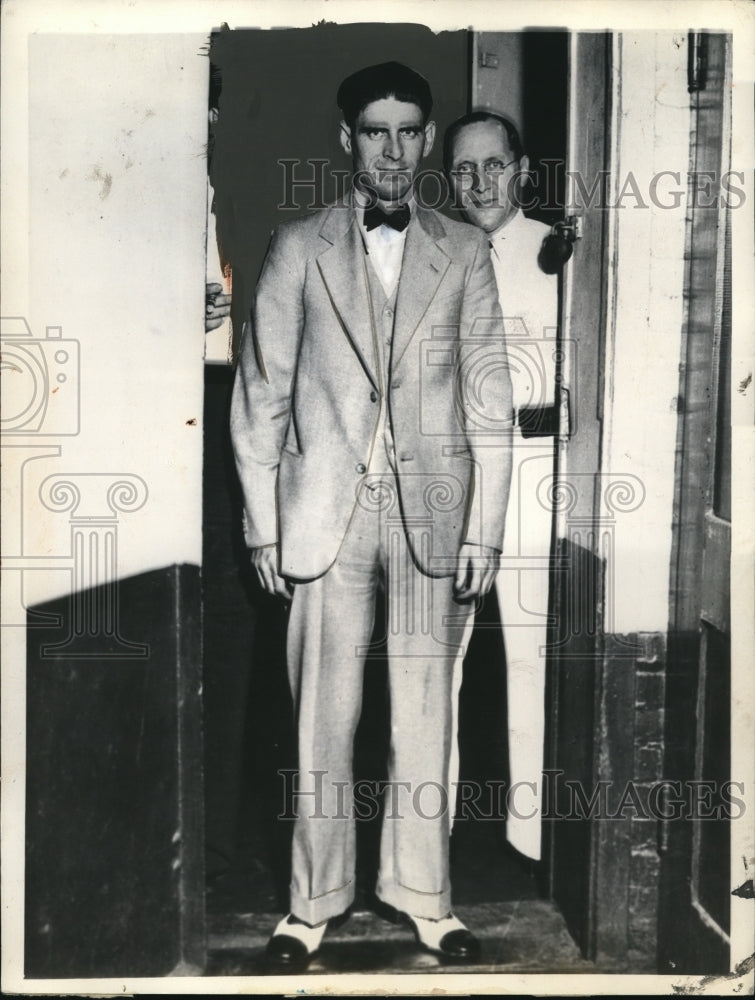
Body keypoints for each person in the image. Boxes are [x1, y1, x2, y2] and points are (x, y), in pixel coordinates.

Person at [230, 62, 513, 971]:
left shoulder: (463, 252)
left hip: (435, 513)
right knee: (323, 717)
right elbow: (261, 395)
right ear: (345, 139)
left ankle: (424, 899)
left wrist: (485, 527)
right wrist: (262, 525)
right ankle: (309, 907)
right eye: (373, 131)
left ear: (426, 141)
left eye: (407, 131)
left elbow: (487, 398)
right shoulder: (295, 246)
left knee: (426, 716)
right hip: (326, 518)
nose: (391, 149)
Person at [444, 111, 559, 863]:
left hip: (535, 472)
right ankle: (430, 833)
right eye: (463, 169)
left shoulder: (560, 250)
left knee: (530, 653)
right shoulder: (432, 252)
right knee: (435, 659)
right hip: (451, 476)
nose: (480, 181)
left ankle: (533, 836)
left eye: (494, 164)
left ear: (519, 168)